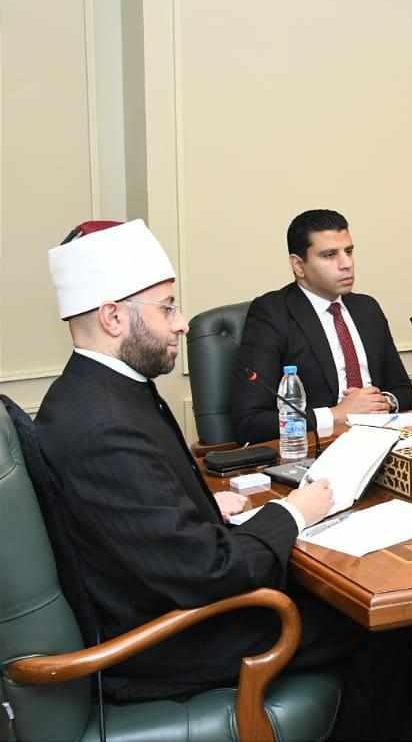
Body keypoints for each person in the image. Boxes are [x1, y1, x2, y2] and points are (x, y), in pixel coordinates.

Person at [35, 220, 349, 702]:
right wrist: (293, 512)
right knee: (366, 621)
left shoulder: (98, 392)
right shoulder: (103, 425)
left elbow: (139, 515)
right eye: (167, 308)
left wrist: (199, 507)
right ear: (113, 317)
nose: (182, 323)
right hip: (166, 642)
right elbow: (210, 572)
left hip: (168, 603)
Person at [232, 209, 412, 444]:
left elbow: (405, 392)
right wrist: (337, 414)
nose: (346, 264)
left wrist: (381, 402)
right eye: (329, 255)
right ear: (298, 265)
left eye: (349, 251)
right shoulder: (272, 314)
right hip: (318, 448)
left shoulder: (367, 308)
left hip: (383, 439)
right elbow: (249, 422)